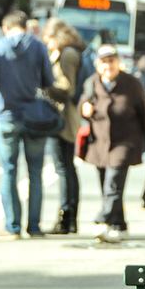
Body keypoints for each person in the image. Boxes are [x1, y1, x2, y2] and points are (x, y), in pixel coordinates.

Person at [80, 43, 145, 243]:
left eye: (112, 61)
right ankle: (119, 224)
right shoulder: (92, 83)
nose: (108, 66)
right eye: (104, 62)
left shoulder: (131, 84)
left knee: (113, 185)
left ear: (119, 62)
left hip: (125, 142)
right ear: (98, 65)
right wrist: (85, 109)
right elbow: (83, 103)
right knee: (107, 188)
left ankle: (102, 219)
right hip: (99, 145)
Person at [0, 11, 54, 240]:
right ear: (25, 26)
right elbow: (48, 80)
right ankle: (34, 227)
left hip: (7, 116)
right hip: (35, 116)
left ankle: (12, 227)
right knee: (35, 173)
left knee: (9, 171)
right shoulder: (38, 47)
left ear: (6, 27)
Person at [42, 18, 85, 235]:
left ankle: (66, 218)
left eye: (47, 38)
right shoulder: (71, 51)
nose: (46, 43)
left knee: (64, 168)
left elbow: (67, 87)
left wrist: (45, 86)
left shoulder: (67, 54)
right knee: (67, 167)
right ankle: (69, 217)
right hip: (67, 116)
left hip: (64, 118)